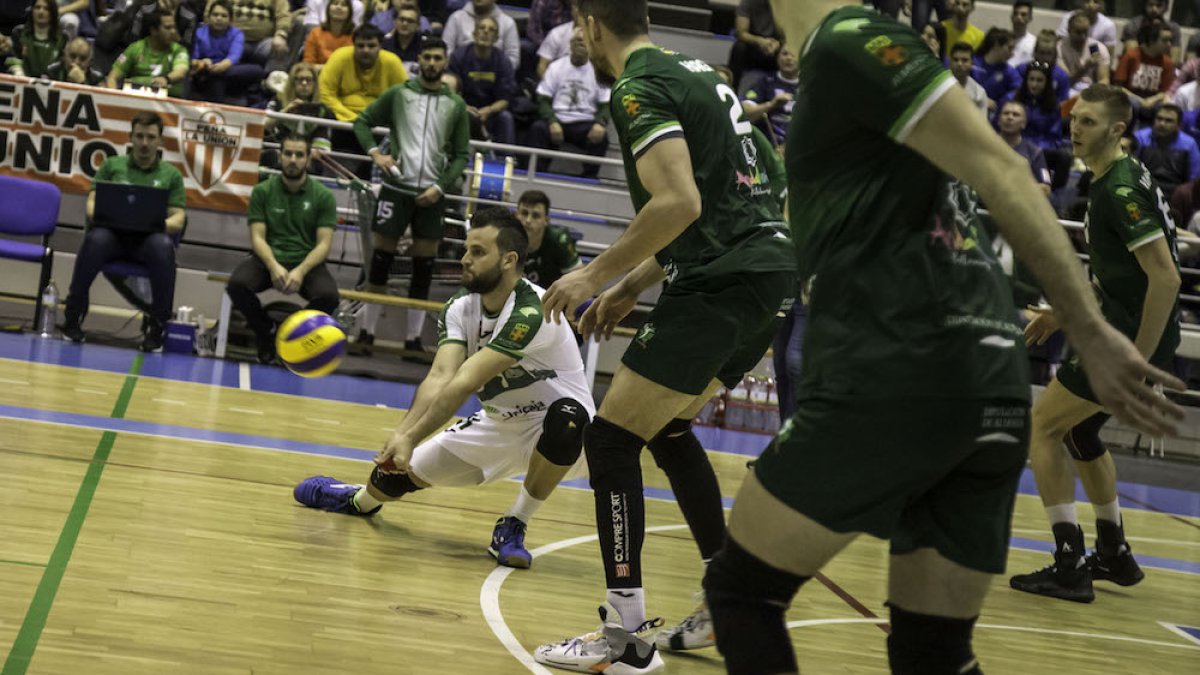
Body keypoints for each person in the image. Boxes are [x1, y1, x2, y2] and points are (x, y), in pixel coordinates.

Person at [702, 4, 1183, 675]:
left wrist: (1092, 331)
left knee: (740, 590)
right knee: (933, 653)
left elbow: (1005, 171)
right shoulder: (836, 71)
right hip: (986, 387)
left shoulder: (850, 39)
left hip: (901, 367)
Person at [532, 1, 795, 671]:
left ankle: (624, 636)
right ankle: (724, 598)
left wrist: (591, 274)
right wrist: (628, 287)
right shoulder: (701, 74)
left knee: (612, 438)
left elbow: (678, 202)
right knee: (669, 427)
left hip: (723, 279)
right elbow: (732, 192)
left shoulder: (636, 86)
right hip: (766, 277)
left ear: (591, 22)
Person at [295, 207, 594, 571]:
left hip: (567, 434)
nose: (465, 259)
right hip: (499, 425)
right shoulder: (459, 307)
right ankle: (359, 500)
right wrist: (403, 436)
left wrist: (412, 435)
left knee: (568, 418)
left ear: (508, 260)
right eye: (467, 249)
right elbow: (440, 376)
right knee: (392, 478)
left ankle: (515, 522)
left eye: (478, 252)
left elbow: (465, 381)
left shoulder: (533, 311)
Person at [1009, 84, 1182, 604]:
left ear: (1117, 130)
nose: (1074, 129)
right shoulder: (1109, 178)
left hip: (1125, 339)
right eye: (1074, 119)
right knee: (1079, 433)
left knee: (1041, 425)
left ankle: (1069, 564)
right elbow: (1117, 276)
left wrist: (1136, 357)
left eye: (1087, 122)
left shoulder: (1122, 189)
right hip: (1118, 330)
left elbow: (1166, 278)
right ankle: (1114, 553)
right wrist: (1063, 315)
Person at [353, 36, 469, 354]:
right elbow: (362, 122)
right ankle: (366, 333)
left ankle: (413, 340)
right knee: (380, 262)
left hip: (433, 192)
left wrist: (440, 187)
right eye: (428, 57)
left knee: (423, 267)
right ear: (419, 59)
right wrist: (377, 154)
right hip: (396, 188)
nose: (432, 63)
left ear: (445, 62)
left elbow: (461, 154)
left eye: (438, 58)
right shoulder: (399, 94)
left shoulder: (455, 105)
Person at [63, 111, 186, 353]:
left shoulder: (171, 175)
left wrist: (156, 223)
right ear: (130, 137)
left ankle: (157, 325)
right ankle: (73, 316)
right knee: (95, 240)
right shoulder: (111, 166)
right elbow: (90, 205)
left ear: (160, 141)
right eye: (139, 136)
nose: (144, 143)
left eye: (151, 137)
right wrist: (104, 215)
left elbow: (178, 218)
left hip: (148, 241)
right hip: (112, 238)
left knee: (163, 247)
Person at [226, 134, 339, 363]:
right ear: (280, 156)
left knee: (329, 297)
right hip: (268, 258)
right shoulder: (262, 191)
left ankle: (289, 333)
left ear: (308, 160)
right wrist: (273, 265)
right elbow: (257, 238)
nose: (293, 159)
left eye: (299, 155)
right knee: (236, 285)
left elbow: (324, 244)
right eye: (288, 153)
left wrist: (301, 270)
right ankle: (265, 331)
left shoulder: (324, 196)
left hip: (306, 261)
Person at [530, 28, 610, 179]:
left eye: (584, 41)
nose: (581, 44)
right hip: (558, 119)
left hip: (584, 123)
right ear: (570, 45)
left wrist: (601, 122)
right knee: (538, 128)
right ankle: (538, 173)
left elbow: (606, 104)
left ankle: (588, 179)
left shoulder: (599, 70)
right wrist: (552, 121)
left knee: (602, 137)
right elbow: (542, 98)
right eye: (577, 41)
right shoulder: (556, 67)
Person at [449, 14, 516, 145]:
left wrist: (489, 110)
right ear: (474, 34)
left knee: (506, 118)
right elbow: (450, 91)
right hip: (463, 108)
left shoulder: (503, 62)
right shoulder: (459, 56)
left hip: (491, 112)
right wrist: (465, 107)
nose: (486, 31)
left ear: (496, 38)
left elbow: (505, 99)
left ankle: (507, 159)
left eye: (491, 30)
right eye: (482, 28)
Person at [1133, 105, 1200, 223]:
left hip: (1174, 199)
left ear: (1179, 125)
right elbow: (1130, 171)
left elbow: (1192, 180)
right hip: (1142, 192)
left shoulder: (1189, 144)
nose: (1162, 123)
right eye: (1159, 119)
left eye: (1169, 121)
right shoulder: (1140, 137)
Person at [265, 62, 334, 167]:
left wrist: (311, 154)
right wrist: (284, 112)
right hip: (279, 152)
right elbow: (263, 127)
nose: (304, 83)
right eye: (300, 79)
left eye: (309, 80)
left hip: (308, 157)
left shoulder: (323, 110)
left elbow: (322, 142)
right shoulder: (277, 102)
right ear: (292, 82)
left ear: (315, 84)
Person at [106, 9, 190, 97]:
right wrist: (115, 98)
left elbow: (181, 71)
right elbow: (112, 77)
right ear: (153, 30)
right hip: (135, 100)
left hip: (169, 101)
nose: (173, 32)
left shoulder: (179, 50)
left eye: (174, 27)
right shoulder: (135, 48)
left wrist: (166, 79)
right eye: (167, 28)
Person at [190, 0, 260, 104]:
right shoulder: (199, 33)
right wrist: (203, 62)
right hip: (204, 70)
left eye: (224, 16)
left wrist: (223, 66)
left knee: (257, 70)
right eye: (215, 15)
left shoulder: (237, 34)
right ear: (209, 17)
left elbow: (234, 55)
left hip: (227, 68)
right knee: (216, 82)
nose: (219, 18)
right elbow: (192, 59)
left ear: (230, 20)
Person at [516, 190, 581, 288]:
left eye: (536, 216)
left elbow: (578, 281)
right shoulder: (506, 237)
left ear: (546, 220)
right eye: (524, 213)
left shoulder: (559, 240)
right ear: (516, 216)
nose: (528, 221)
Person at [1115, 21, 1175, 125]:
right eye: (1165, 41)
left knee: (1164, 108)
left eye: (1170, 40)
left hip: (1153, 101)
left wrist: (1152, 100)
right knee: (1132, 105)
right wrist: (1140, 101)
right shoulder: (1131, 56)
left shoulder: (1167, 62)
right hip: (1131, 98)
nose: (1169, 44)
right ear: (1151, 40)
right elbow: (1118, 87)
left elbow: (1165, 91)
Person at [741, 47, 798, 148]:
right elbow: (745, 113)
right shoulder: (765, 82)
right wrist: (771, 104)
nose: (789, 58)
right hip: (769, 144)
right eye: (784, 54)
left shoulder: (809, 84)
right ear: (777, 58)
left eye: (793, 55)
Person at [441, 0, 518, 70]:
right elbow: (445, 51)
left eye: (491, 30)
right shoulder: (456, 18)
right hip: (460, 74)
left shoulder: (508, 23)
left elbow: (513, 58)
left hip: (495, 76)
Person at [998, 100, 1053, 196]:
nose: (1010, 117)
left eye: (1015, 115)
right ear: (999, 120)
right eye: (1006, 113)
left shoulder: (1035, 152)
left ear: (1023, 123)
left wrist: (1015, 188)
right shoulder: (985, 144)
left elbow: (1046, 189)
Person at [5, 0, 66, 78]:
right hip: (22, 82)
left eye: (46, 9)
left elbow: (62, 66)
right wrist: (18, 72)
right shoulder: (19, 33)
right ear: (32, 10)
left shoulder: (63, 38)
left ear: (53, 13)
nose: (41, 12)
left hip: (52, 85)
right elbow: (13, 58)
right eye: (37, 7)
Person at [730, 0, 781, 92]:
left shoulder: (787, 6)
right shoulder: (748, 2)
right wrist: (760, 41)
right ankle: (733, 88)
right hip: (753, 47)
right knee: (739, 47)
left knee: (789, 52)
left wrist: (778, 44)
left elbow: (789, 34)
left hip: (775, 48)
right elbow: (741, 33)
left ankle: (786, 90)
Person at [1058, 11, 1109, 96]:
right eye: (1078, 32)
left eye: (1085, 32)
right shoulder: (1060, 47)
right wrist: (1085, 68)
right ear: (1069, 30)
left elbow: (1104, 80)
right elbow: (1066, 82)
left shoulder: (1098, 48)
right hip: (1068, 90)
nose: (1083, 36)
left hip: (1092, 91)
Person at [971, 27, 1020, 113]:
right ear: (996, 45)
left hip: (994, 113)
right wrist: (983, 100)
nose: (1012, 53)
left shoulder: (1009, 72)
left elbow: (1018, 90)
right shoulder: (972, 63)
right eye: (1009, 48)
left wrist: (1000, 103)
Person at [1123, 0, 1181, 65]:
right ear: (1145, 6)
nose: (1154, 9)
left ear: (1166, 7)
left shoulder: (1173, 28)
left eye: (1159, 5)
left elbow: (1174, 61)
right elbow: (1132, 57)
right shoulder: (1133, 25)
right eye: (1150, 5)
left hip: (1163, 68)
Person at [303, 0, 354, 66]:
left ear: (350, 12)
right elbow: (308, 64)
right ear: (328, 9)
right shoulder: (315, 33)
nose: (339, 7)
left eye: (344, 5)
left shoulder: (355, 36)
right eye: (335, 4)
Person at [380, 0, 422, 72]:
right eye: (401, 20)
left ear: (417, 26)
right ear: (395, 22)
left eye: (410, 21)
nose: (405, 24)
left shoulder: (424, 47)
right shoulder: (384, 45)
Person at [950, 42, 988, 117]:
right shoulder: (938, 85)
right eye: (955, 60)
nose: (959, 64)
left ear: (972, 63)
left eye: (964, 60)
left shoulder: (979, 94)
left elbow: (981, 124)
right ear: (950, 62)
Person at [1008, 0, 1035, 68]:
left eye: (1023, 14)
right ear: (1011, 17)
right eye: (1015, 13)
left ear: (1030, 18)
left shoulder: (1034, 43)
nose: (1019, 17)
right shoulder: (1002, 39)